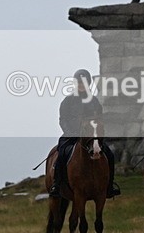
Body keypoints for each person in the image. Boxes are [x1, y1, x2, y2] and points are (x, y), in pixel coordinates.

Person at [49, 69, 121, 199]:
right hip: (71, 135)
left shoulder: (94, 101)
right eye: (79, 83)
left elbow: (99, 119)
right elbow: (63, 120)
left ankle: (109, 185)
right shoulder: (68, 101)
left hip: (91, 137)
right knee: (62, 152)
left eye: (84, 83)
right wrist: (71, 132)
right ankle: (57, 184)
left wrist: (98, 133)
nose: (82, 85)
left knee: (109, 154)